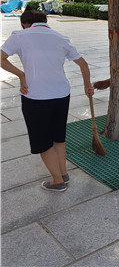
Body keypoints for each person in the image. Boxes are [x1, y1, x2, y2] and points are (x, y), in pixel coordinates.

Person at [0, 10, 93, 192]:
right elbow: (83, 64)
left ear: (25, 24)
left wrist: (21, 74)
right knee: (58, 137)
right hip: (61, 94)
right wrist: (87, 85)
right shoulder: (60, 37)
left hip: (36, 96)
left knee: (42, 140)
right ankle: (63, 173)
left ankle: (57, 181)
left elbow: (1, 58)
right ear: (44, 21)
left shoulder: (20, 35)